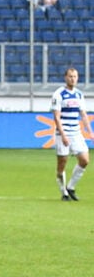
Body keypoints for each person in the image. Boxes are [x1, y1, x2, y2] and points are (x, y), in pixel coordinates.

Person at [51, 67, 91, 201]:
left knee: (85, 160)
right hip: (63, 133)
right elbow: (57, 117)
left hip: (76, 133)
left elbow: (83, 114)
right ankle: (64, 192)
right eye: (70, 76)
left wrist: (90, 131)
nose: (72, 79)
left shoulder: (79, 94)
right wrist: (62, 135)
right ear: (65, 77)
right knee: (62, 163)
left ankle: (71, 187)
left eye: (75, 76)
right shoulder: (59, 94)